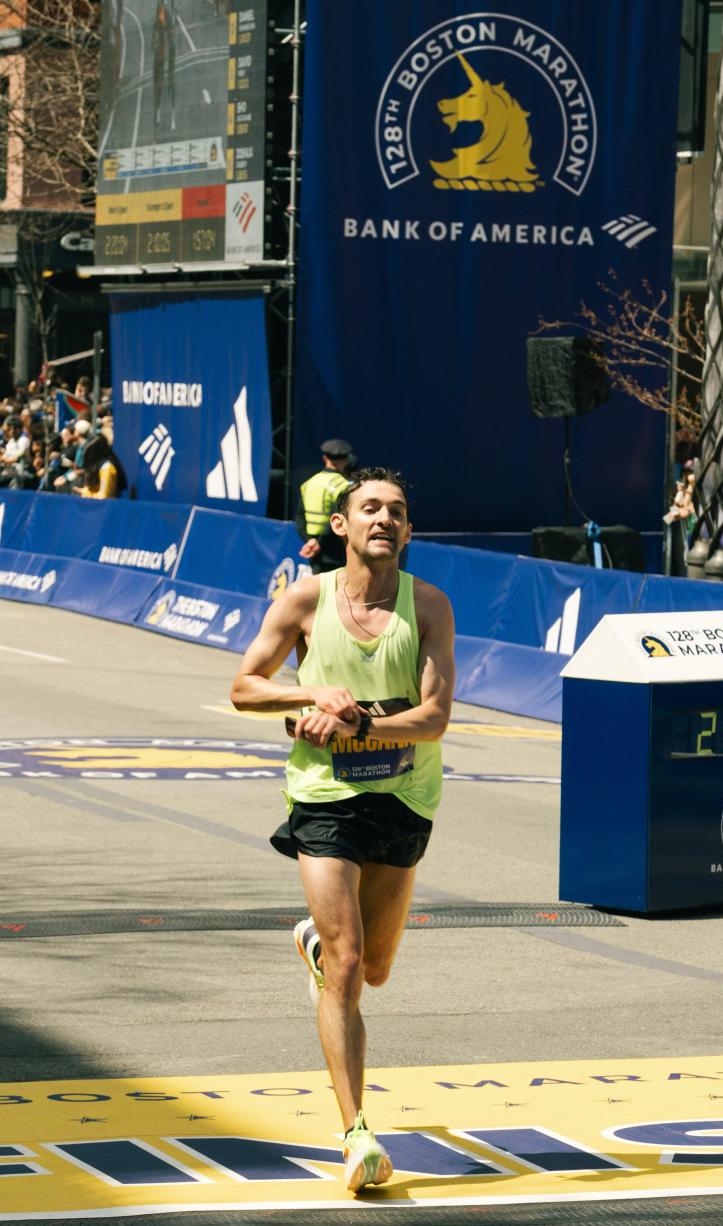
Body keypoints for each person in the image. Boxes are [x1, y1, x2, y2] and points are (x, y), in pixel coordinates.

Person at [230, 468, 455, 1193]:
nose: (384, 519)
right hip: (323, 798)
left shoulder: (429, 606)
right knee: (350, 963)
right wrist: (310, 692)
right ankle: (357, 1134)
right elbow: (244, 687)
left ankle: (315, 947)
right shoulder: (305, 599)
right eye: (369, 509)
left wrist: (361, 723)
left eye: (397, 510)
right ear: (342, 527)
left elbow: (436, 716)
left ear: (409, 531)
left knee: (378, 968)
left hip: (404, 798)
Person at [297, 439, 357, 574]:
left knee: (320, 587)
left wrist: (310, 540)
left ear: (325, 458)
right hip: (335, 547)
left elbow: (300, 516)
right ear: (346, 460)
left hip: (313, 546)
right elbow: (337, 518)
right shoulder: (344, 486)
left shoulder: (309, 483)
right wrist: (320, 543)